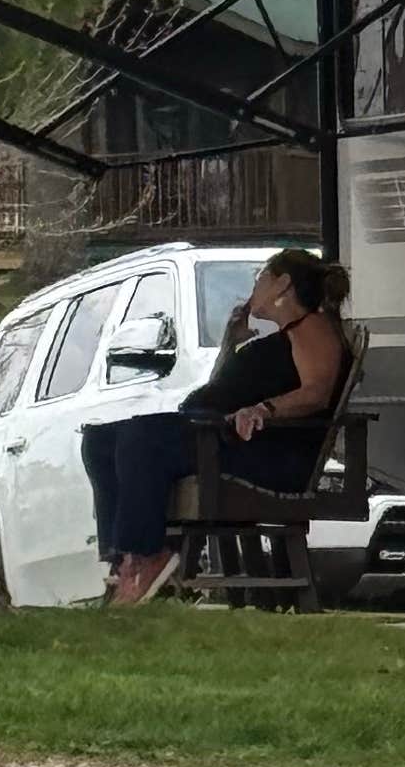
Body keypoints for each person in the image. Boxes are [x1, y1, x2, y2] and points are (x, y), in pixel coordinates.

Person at [87, 246, 350, 605]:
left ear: (282, 285)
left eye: (261, 278)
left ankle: (147, 556)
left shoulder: (311, 326)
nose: (254, 287)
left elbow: (317, 392)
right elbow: (219, 390)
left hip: (262, 451)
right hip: (220, 438)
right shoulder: (279, 336)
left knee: (141, 436)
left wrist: (264, 408)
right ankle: (124, 561)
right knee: (101, 440)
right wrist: (232, 341)